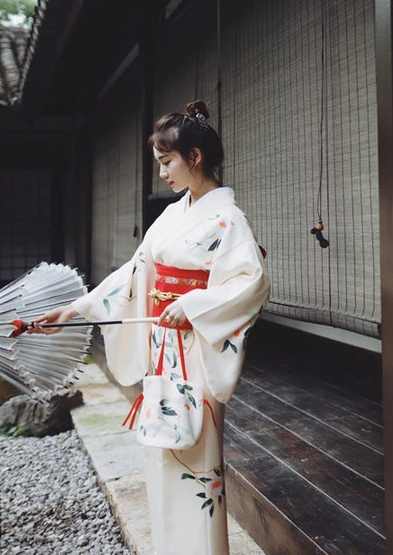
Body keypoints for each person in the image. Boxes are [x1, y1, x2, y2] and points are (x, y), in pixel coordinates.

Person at [32, 101, 270, 555]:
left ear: (194, 158)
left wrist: (195, 303)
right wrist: (74, 310)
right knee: (162, 448)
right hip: (164, 345)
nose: (162, 173)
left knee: (195, 454)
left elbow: (252, 283)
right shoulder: (172, 215)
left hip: (195, 349)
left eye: (167, 162)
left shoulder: (229, 220)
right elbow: (136, 273)